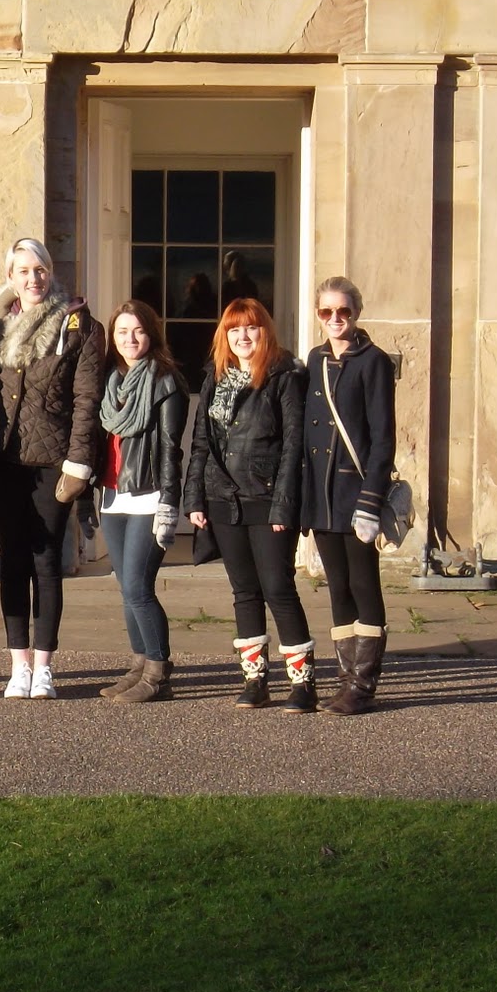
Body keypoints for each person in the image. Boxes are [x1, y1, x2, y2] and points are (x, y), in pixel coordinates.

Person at [0, 237, 106, 700]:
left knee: (46, 560)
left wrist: (80, 463)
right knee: (11, 560)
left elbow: (87, 399)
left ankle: (45, 665)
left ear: (51, 272)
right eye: (23, 271)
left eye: (40, 269)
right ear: (11, 278)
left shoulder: (79, 326)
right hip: (3, 463)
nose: (33, 278)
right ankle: (19, 665)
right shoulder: (0, 326)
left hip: (53, 461)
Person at [183, 297, 316, 710]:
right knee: (244, 592)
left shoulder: (284, 376)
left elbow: (295, 443)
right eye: (234, 329)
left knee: (278, 588)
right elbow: (202, 442)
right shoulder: (215, 377)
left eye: (252, 328)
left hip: (266, 497)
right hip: (224, 499)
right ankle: (255, 680)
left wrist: (284, 505)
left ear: (265, 332)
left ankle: (302, 684)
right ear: (224, 335)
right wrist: (195, 497)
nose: (243, 336)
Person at [301, 276, 397, 715]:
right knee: (337, 585)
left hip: (355, 490)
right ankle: (344, 678)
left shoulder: (373, 361)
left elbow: (382, 438)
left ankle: (363, 684)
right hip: (321, 494)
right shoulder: (315, 359)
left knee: (363, 584)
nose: (335, 319)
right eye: (327, 312)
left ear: (356, 314)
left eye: (344, 312)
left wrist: (371, 501)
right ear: (318, 315)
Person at [96, 301, 188, 703]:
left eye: (137, 331)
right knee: (125, 587)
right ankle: (138, 666)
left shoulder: (166, 381)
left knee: (138, 586)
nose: (130, 339)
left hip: (149, 494)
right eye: (121, 332)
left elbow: (171, 449)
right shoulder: (110, 381)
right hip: (113, 494)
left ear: (151, 334)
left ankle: (158, 672)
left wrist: (171, 502)